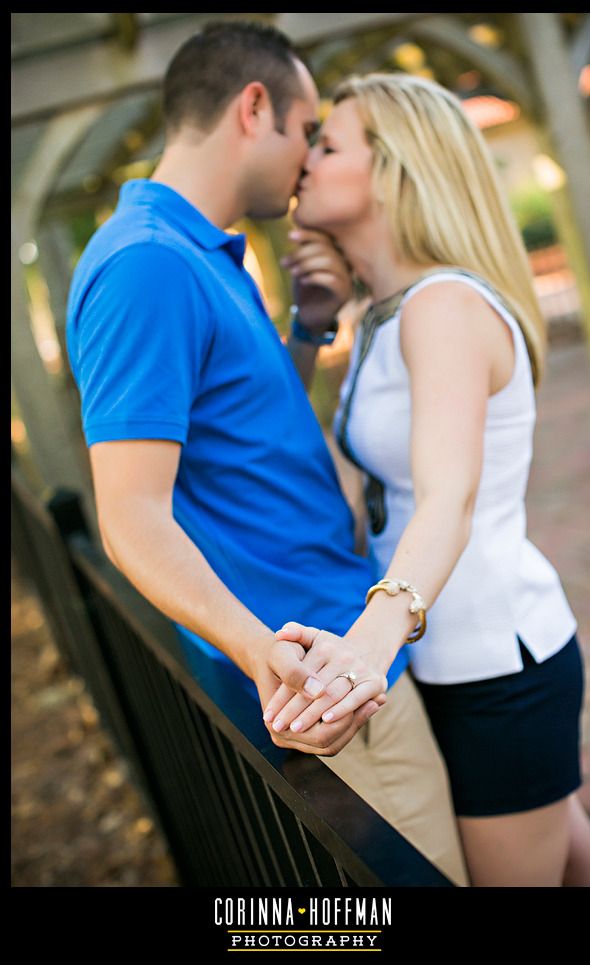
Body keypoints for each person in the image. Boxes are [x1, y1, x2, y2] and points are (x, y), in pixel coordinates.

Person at [65, 22, 468, 886]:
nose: (309, 157)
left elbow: (231, 432)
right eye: (306, 129)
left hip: (343, 649)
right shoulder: (148, 266)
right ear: (255, 108)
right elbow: (130, 511)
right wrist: (260, 651)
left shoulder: (199, 255)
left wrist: (309, 332)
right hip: (322, 680)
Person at [267, 72, 590, 886]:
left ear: (393, 170)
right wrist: (311, 323)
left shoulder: (442, 306)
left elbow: (448, 496)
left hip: (494, 668)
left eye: (329, 144)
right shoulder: (391, 309)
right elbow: (279, 441)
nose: (305, 158)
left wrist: (367, 647)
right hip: (443, 660)